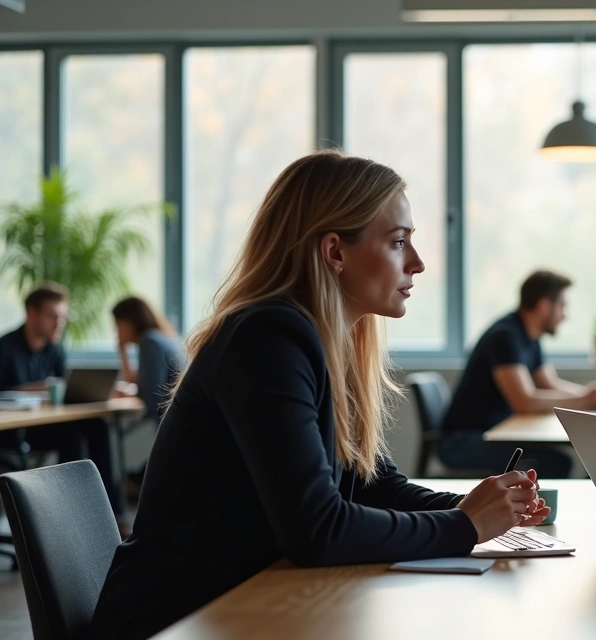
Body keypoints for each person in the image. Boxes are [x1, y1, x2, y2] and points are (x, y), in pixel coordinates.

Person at [88, 150, 550, 640]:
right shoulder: (267, 337)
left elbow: (375, 484)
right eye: (398, 243)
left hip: (244, 606)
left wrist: (481, 506)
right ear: (335, 252)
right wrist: (465, 527)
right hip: (176, 622)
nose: (417, 263)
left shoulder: (323, 341)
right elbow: (317, 531)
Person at [439, 271, 596, 479]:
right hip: (465, 441)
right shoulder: (505, 336)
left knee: (561, 459)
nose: (565, 315)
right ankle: (539, 512)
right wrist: (586, 399)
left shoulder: (529, 337)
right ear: (543, 305)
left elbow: (549, 384)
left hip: (496, 434)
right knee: (556, 462)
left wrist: (591, 395)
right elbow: (524, 401)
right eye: (562, 305)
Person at [0, 283, 121, 514]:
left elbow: (64, 390)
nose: (59, 324)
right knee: (72, 436)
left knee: (98, 427)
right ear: (31, 313)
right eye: (53, 317)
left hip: (46, 426)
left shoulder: (55, 349)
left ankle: (111, 513)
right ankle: (70, 514)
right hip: (12, 433)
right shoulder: (5, 348)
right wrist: (39, 389)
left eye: (62, 318)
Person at [111, 296, 186, 494]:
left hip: (175, 425)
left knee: (140, 478)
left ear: (129, 321)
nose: (116, 331)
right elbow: (143, 382)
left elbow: (152, 394)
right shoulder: (158, 338)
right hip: (180, 422)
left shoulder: (149, 341)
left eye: (118, 325)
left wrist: (132, 391)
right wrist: (122, 352)